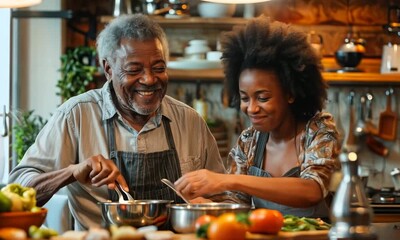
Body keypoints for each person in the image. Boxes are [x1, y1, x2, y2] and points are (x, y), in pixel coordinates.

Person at [8, 14, 225, 230]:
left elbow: (228, 199)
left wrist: (212, 207)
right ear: (108, 69)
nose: (149, 79)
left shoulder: (190, 121)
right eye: (134, 70)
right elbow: (16, 192)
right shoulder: (76, 116)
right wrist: (72, 172)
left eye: (158, 68)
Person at [175, 16, 341, 220]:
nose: (251, 108)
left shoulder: (319, 130)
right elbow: (237, 204)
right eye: (245, 98)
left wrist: (228, 180)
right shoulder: (249, 140)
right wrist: (207, 206)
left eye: (263, 98)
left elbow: (312, 191)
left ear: (290, 93)